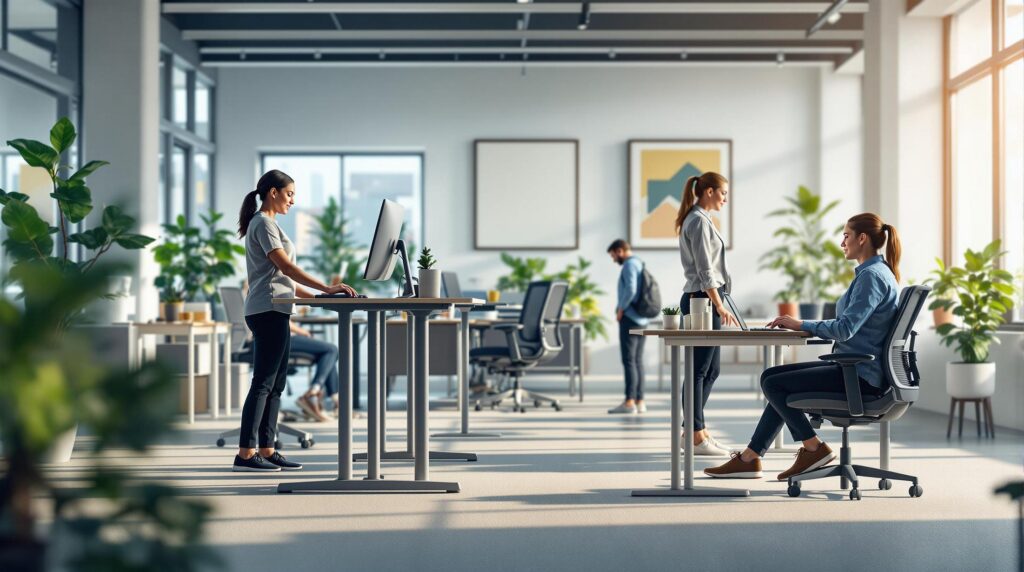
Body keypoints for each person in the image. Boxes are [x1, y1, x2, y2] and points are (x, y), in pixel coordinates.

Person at [705, 213, 901, 481]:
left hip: (859, 377)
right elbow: (849, 324)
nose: (842, 242)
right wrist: (803, 326)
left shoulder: (871, 277)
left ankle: (813, 447)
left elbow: (845, 329)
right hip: (857, 370)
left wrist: (801, 324)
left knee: (772, 382)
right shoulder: (878, 273)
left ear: (862, 238)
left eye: (846, 235)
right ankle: (750, 458)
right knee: (776, 378)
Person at [232, 169, 355, 473]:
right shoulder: (263, 223)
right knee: (263, 382)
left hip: (278, 307)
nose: (292, 201)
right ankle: (245, 454)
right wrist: (327, 287)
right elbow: (284, 267)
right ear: (272, 192)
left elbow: (281, 276)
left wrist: (319, 299)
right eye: (289, 194)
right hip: (267, 308)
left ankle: (267, 448)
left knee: (276, 384)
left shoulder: (268, 224)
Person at [675, 171, 740, 456]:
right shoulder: (698, 221)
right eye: (723, 193)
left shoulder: (703, 220)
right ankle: (695, 436)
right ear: (709, 191)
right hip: (702, 300)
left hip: (706, 298)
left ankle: (694, 431)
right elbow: (705, 270)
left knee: (711, 369)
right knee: (698, 370)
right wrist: (718, 304)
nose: (726, 198)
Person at [607, 239, 649, 414]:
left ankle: (629, 402)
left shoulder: (629, 265)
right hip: (642, 319)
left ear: (620, 251)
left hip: (630, 318)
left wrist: (621, 309)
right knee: (637, 360)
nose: (613, 259)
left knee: (629, 360)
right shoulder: (639, 263)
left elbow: (630, 289)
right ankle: (639, 401)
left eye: (613, 255)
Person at [291, 321, 340, 422]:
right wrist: (304, 332)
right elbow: (282, 318)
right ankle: (313, 394)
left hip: (287, 335)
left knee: (326, 357)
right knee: (332, 350)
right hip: (282, 336)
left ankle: (334, 400)